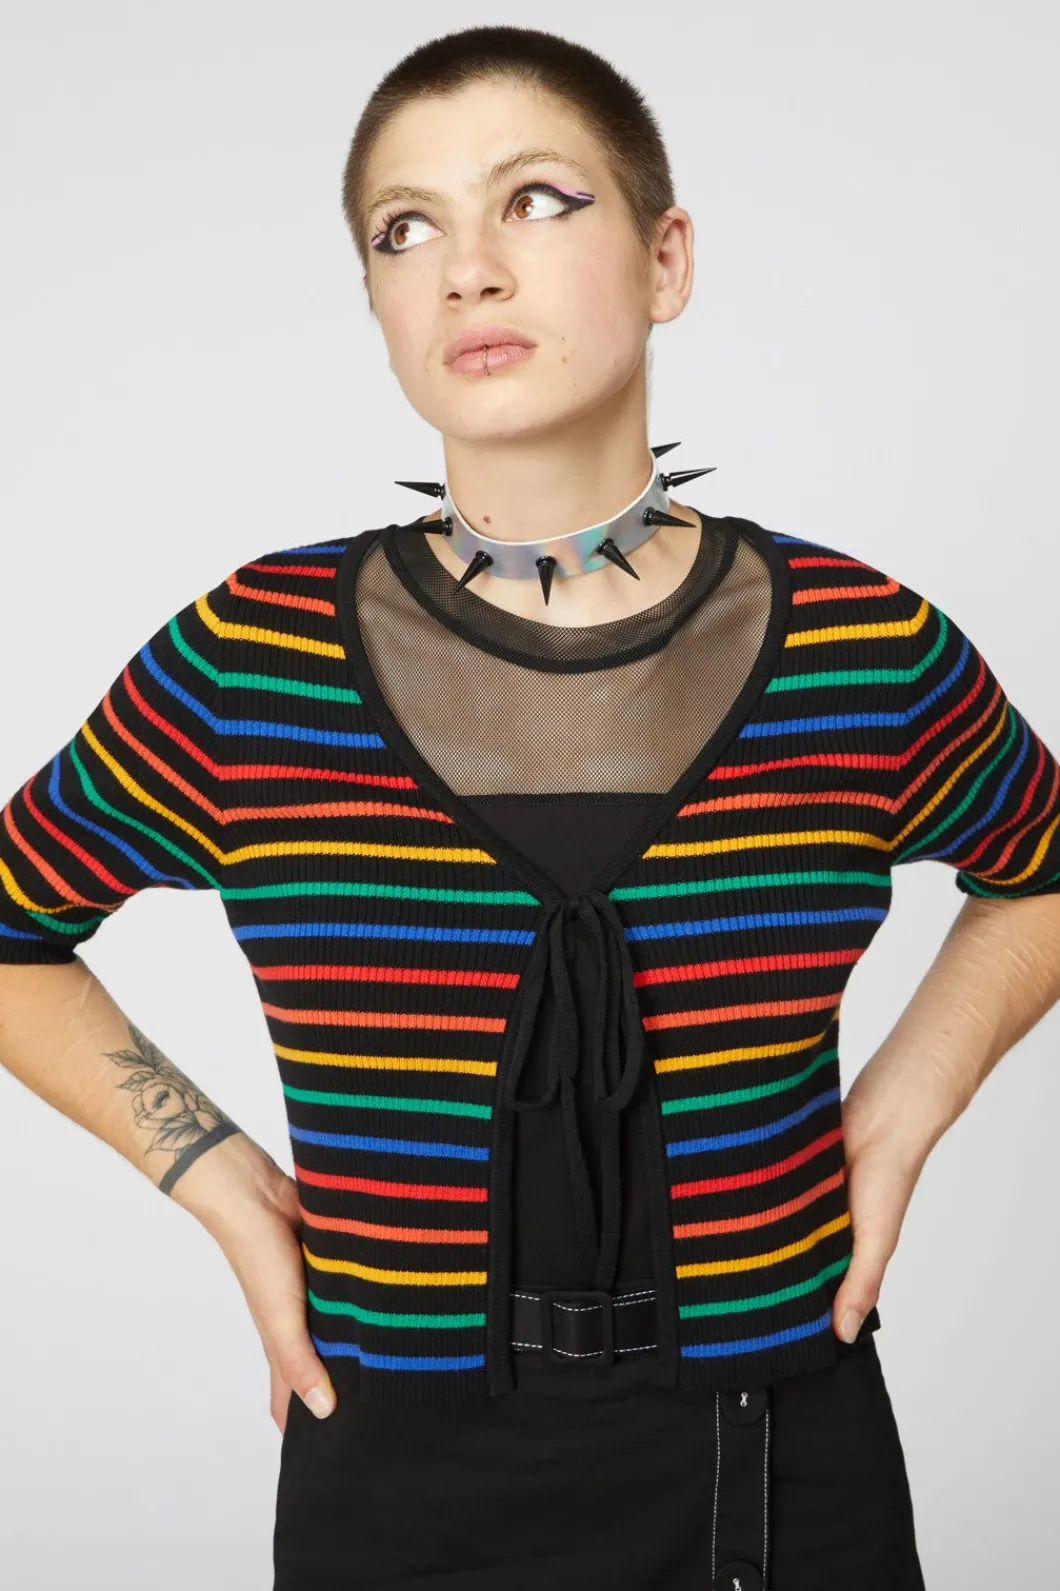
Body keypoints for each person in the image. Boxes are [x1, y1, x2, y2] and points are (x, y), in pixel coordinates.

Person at [2, 23, 1059, 1591]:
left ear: (666, 258)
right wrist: (222, 1184)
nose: (467, 270)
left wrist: (899, 1120)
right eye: (405, 228)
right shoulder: (251, 664)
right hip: (393, 1482)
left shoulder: (862, 648)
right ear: (375, 299)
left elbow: (1043, 867)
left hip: (779, 1470)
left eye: (538, 200)